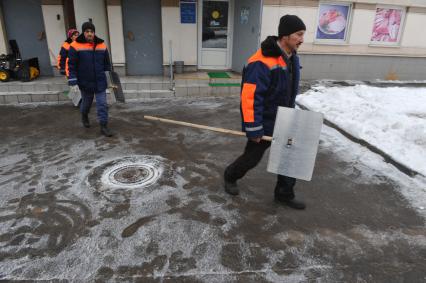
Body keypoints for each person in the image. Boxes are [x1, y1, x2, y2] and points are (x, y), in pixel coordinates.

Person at [224, 15, 306, 209]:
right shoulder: (260, 61)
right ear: (285, 36)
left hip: (286, 118)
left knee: (289, 157)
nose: (302, 39)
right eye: (299, 34)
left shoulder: (292, 57)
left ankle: (284, 194)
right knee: (252, 158)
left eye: (303, 34)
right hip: (266, 121)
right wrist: (253, 128)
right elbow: (250, 97)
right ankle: (230, 176)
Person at [68, 22, 113, 137]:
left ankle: (104, 126)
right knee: (86, 104)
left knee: (102, 104)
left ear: (94, 32)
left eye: (91, 32)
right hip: (85, 82)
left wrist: (109, 79)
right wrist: (73, 81)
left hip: (100, 81)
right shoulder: (75, 46)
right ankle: (84, 115)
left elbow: (107, 64)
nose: (89, 34)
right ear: (83, 32)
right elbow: (71, 65)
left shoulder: (102, 45)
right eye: (87, 31)